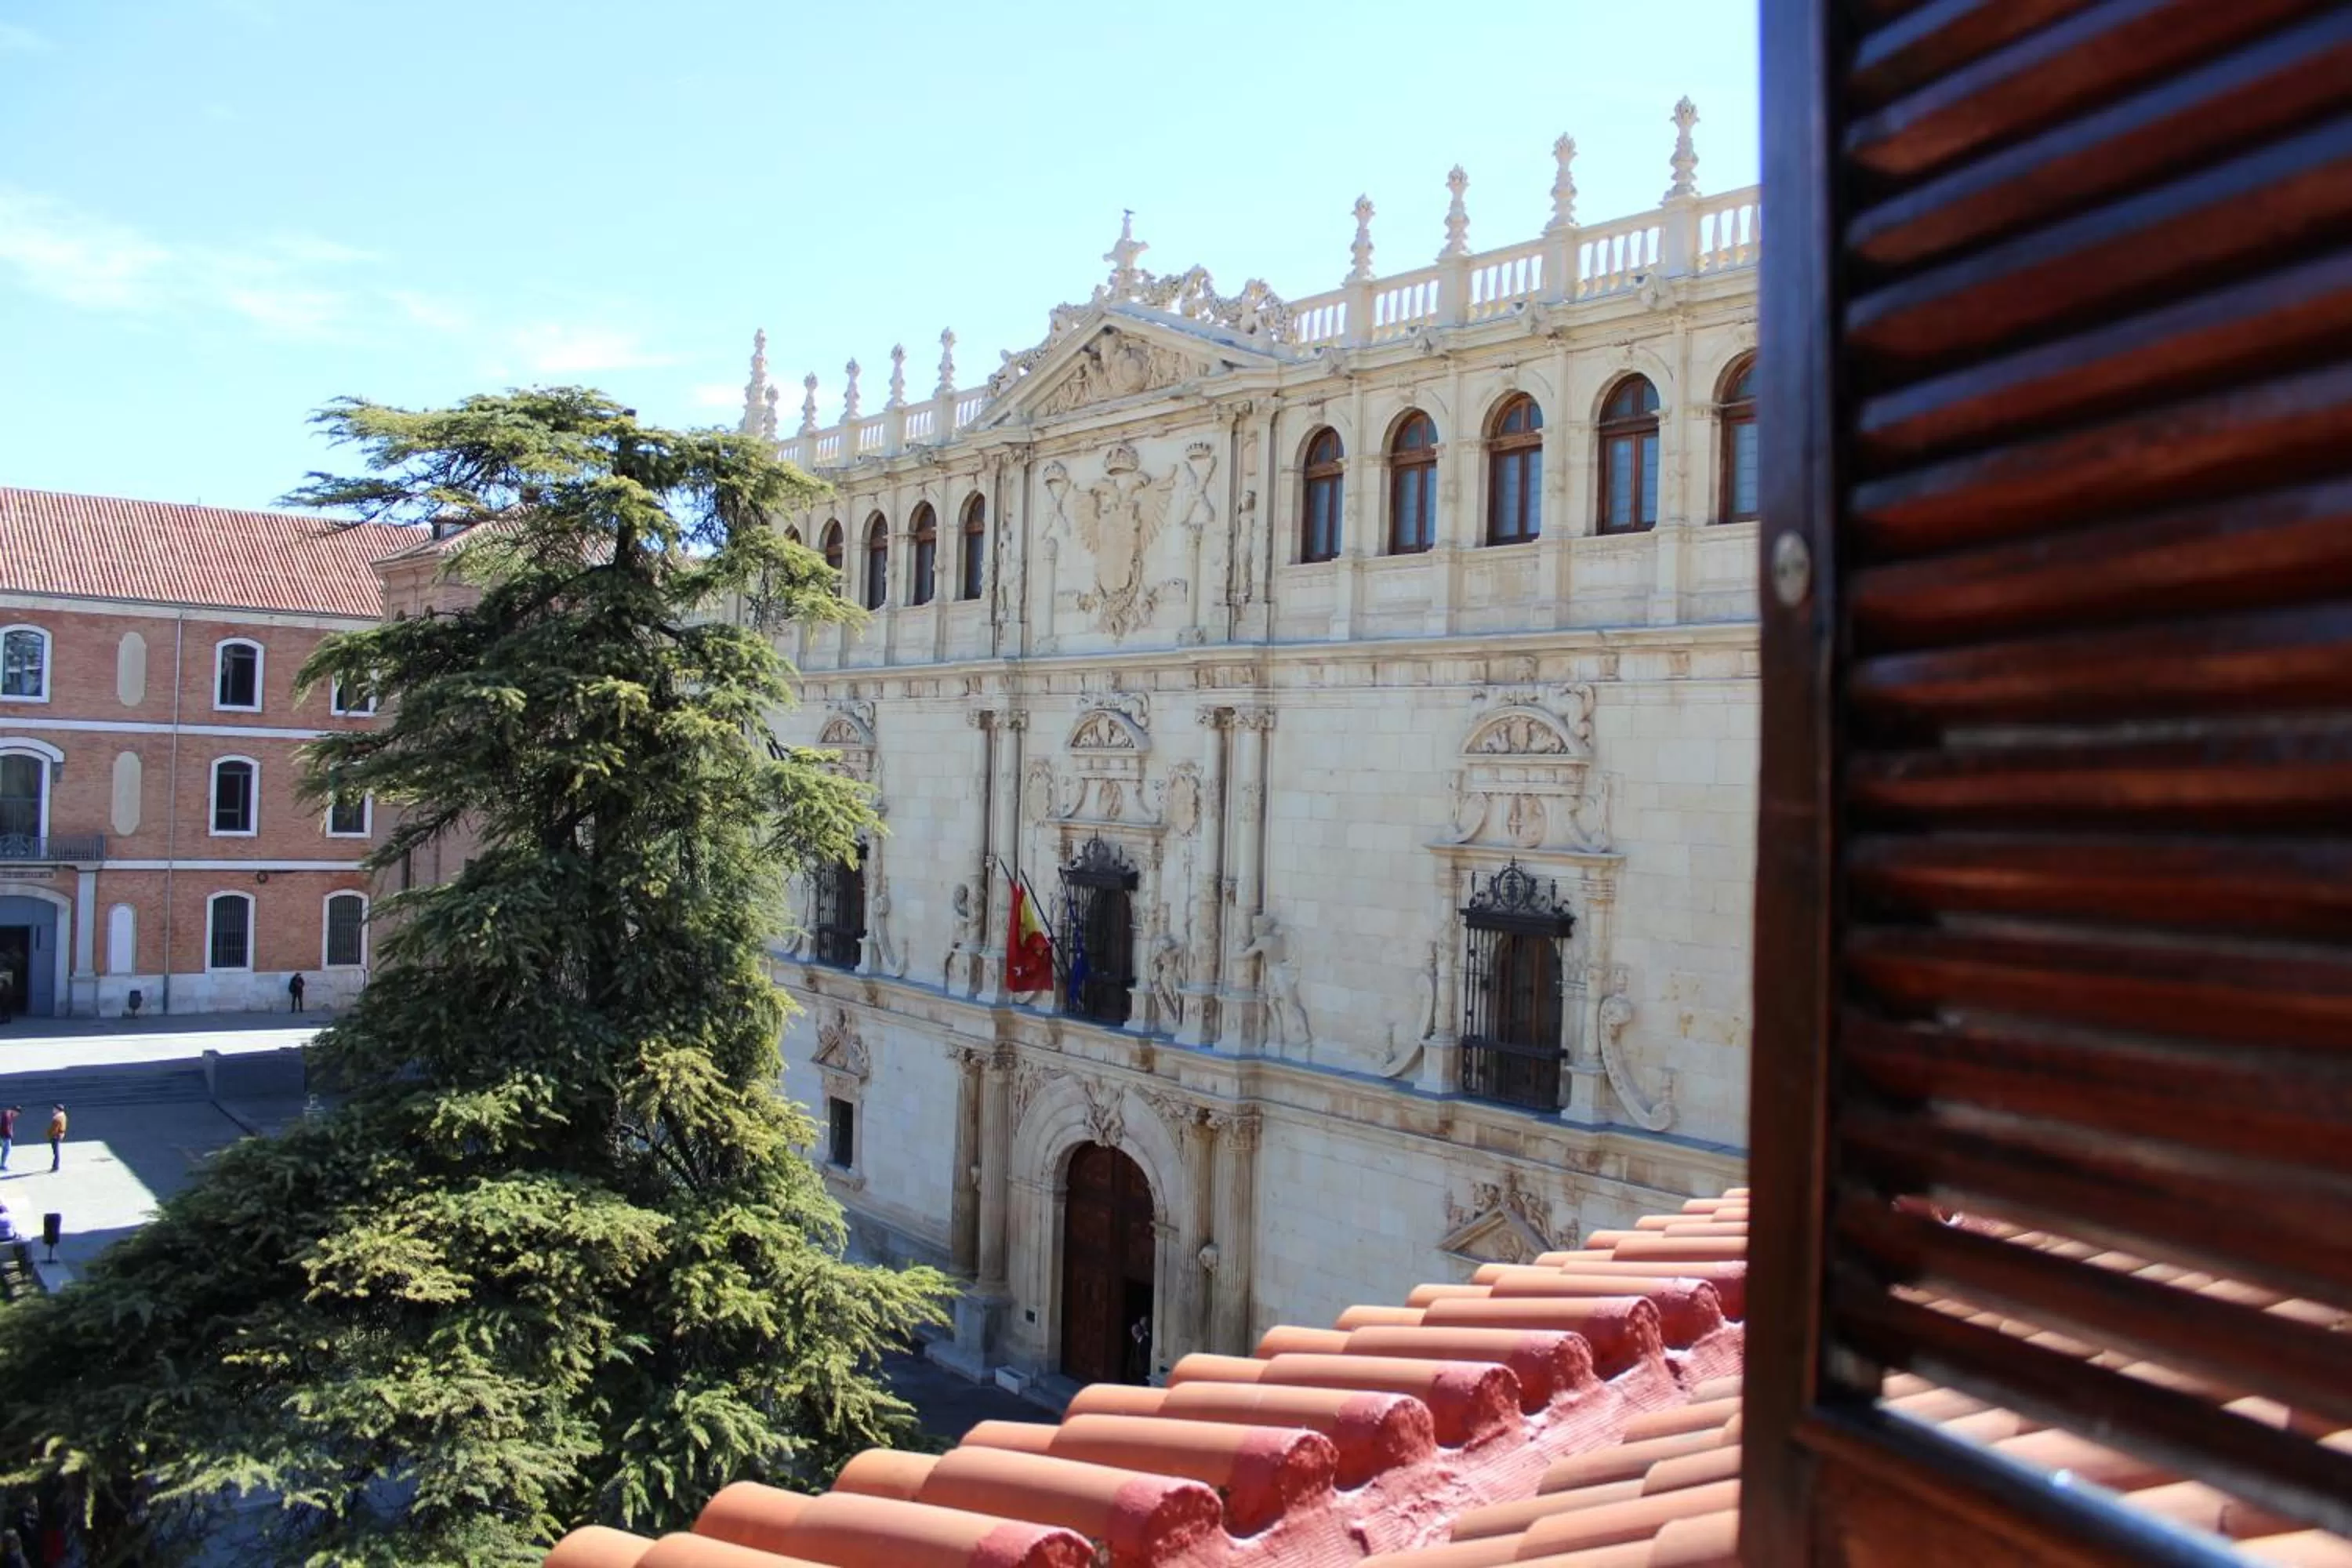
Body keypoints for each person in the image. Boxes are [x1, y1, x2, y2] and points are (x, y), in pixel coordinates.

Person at [44, 1105, 64, 1173]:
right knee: (56, 1152)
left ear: (58, 1110)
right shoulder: (63, 1116)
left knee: (56, 1152)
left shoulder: (57, 1118)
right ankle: (56, 1166)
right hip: (60, 1135)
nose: (53, 1110)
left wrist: (49, 1134)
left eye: (54, 1109)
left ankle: (56, 1166)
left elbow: (54, 1130)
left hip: (55, 1136)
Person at [0, 1104, 17, 1171]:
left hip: (4, 1135)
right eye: (17, 1114)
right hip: (4, 1136)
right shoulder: (7, 1115)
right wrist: (10, 1135)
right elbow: (6, 1127)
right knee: (7, 1149)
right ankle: (2, 1165)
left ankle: (2, 1165)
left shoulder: (8, 1114)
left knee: (6, 1149)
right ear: (15, 1111)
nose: (17, 1116)